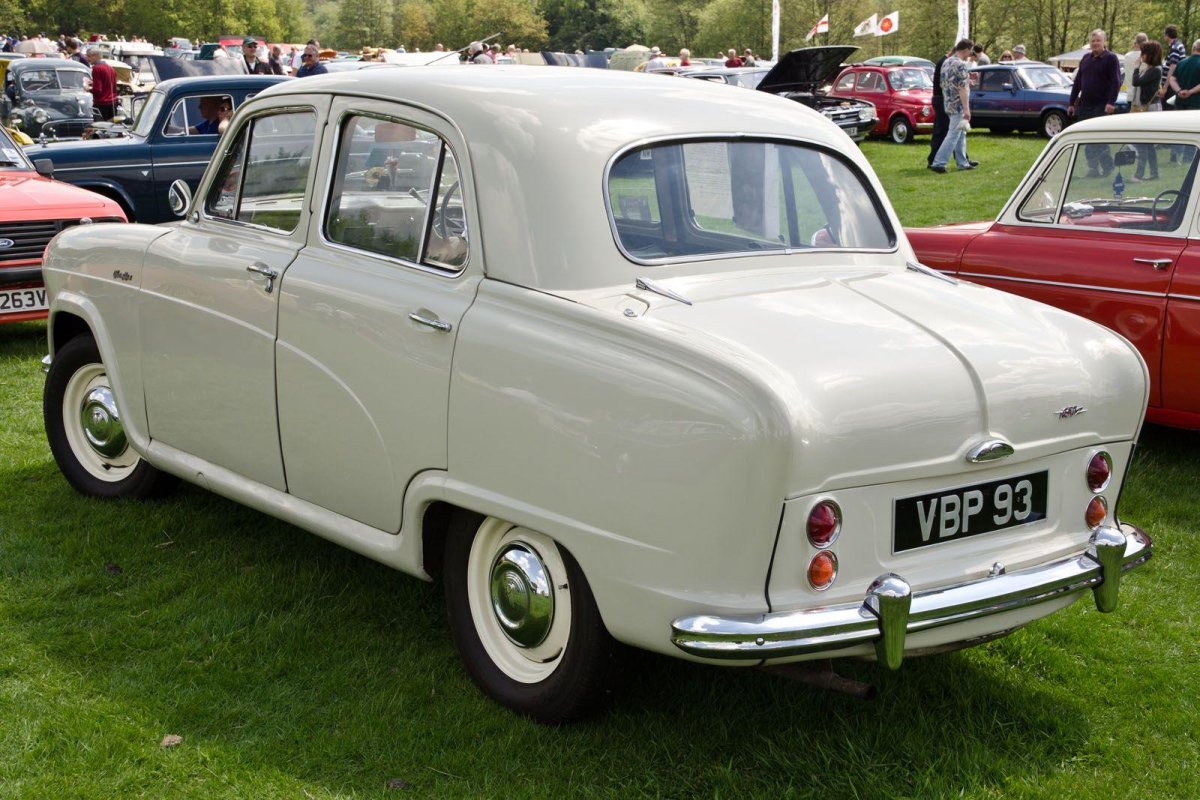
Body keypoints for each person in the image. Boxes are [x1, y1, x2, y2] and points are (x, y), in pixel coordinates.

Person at [1069, 30, 1121, 177]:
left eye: (1098, 40)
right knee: (1086, 138)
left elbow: (1116, 82)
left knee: (1100, 138)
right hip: (1085, 104)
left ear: (1104, 42)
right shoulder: (1085, 59)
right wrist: (1071, 103)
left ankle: (1107, 166)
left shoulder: (1111, 58)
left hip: (1102, 105)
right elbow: (1077, 82)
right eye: (1093, 41)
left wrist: (1111, 102)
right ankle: (1092, 168)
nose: (1095, 43)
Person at [930, 39, 977, 173]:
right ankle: (939, 163)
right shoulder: (961, 65)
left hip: (948, 103)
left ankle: (962, 163)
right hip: (958, 105)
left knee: (960, 134)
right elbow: (962, 88)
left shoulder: (947, 62)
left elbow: (945, 83)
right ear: (966, 49)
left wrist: (969, 81)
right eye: (970, 51)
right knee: (953, 134)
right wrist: (966, 109)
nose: (970, 54)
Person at [1131, 40, 1164, 182]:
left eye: (1143, 53)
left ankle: (1138, 175)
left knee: (1143, 142)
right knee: (1148, 143)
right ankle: (1154, 173)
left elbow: (1136, 81)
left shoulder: (1155, 70)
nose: (1141, 56)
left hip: (1150, 109)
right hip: (1149, 108)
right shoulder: (1152, 69)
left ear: (1149, 55)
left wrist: (1136, 68)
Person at [85, 46, 118, 121]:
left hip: (102, 104)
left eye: (89, 56)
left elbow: (98, 90)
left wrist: (88, 89)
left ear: (96, 56)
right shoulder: (110, 68)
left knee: (100, 129)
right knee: (112, 128)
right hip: (113, 102)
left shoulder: (96, 68)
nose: (87, 59)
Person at [1168, 38, 1200, 110]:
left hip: (1179, 103)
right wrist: (1190, 92)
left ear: (1193, 49)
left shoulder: (1181, 62)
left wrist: (1179, 91)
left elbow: (1172, 79)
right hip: (1196, 104)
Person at [1163, 25, 1186, 109]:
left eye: (1164, 34)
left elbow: (1172, 67)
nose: (1163, 36)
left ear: (1167, 35)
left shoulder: (1175, 47)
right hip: (1174, 83)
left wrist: (1165, 87)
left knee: (1167, 109)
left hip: (1171, 86)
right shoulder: (1178, 45)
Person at [1122, 33, 1149, 98]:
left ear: (1135, 43)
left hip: (1130, 94)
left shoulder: (1126, 56)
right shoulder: (1147, 56)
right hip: (1144, 95)